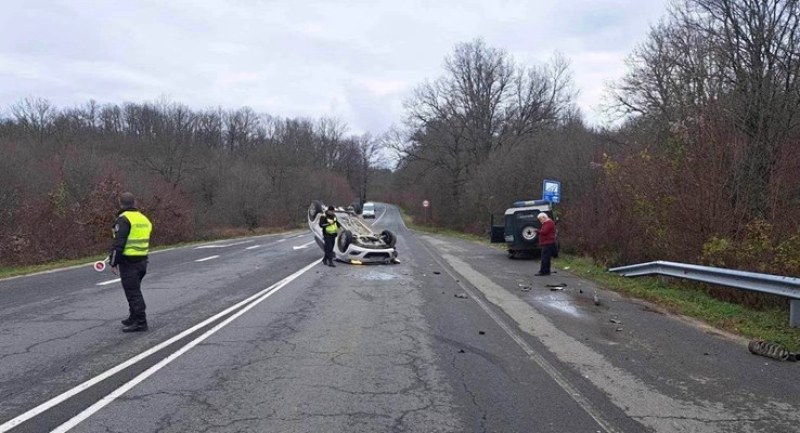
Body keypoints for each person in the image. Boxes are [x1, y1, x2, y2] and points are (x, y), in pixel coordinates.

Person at [109, 192, 153, 332]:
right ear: (134, 203)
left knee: (133, 293)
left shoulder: (123, 219)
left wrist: (114, 261)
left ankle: (140, 321)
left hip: (129, 262)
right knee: (134, 290)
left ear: (120, 203)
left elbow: (119, 243)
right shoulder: (143, 219)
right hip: (142, 260)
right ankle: (133, 317)